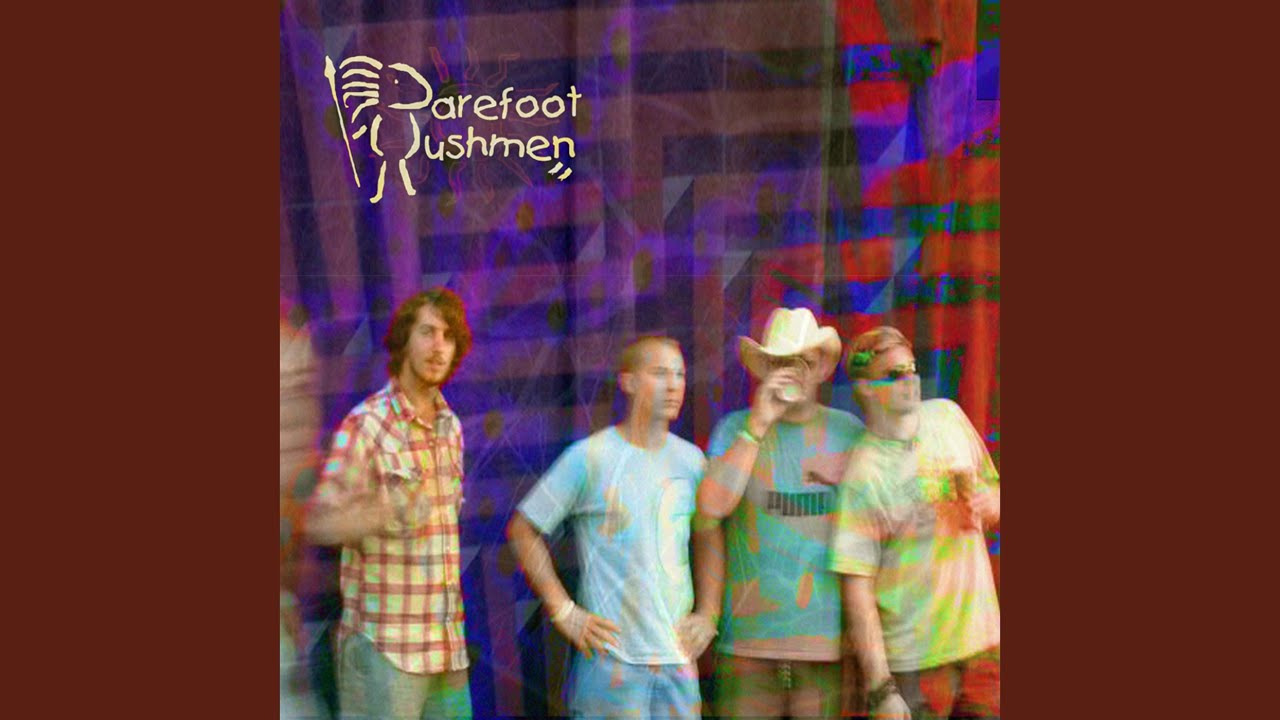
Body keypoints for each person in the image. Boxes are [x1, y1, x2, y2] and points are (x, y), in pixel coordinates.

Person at [506, 336, 711, 719]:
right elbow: (522, 528)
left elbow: (709, 536)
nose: (673, 385)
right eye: (660, 373)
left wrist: (709, 613)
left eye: (680, 375)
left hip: (677, 663)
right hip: (611, 665)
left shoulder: (692, 461)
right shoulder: (591, 456)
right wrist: (564, 611)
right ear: (628, 381)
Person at [306, 288, 475, 719]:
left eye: (449, 336)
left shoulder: (451, 427)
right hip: (385, 651)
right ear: (404, 340)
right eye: (428, 332)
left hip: (446, 650)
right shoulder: (366, 424)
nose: (439, 346)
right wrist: (380, 513)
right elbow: (319, 522)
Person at [695, 307, 865, 719]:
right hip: (746, 646)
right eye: (781, 362)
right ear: (765, 368)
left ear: (821, 367)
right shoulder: (734, 429)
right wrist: (758, 424)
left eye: (802, 361)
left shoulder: (849, 432)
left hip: (824, 646)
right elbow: (710, 510)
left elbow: (870, 536)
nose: (792, 372)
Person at [829, 326, 1000, 719]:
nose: (910, 379)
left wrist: (990, 503)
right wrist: (881, 688)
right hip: (916, 662)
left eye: (912, 368)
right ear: (865, 388)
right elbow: (856, 587)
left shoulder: (948, 416)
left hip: (984, 643)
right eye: (894, 374)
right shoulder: (863, 472)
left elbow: (995, 490)